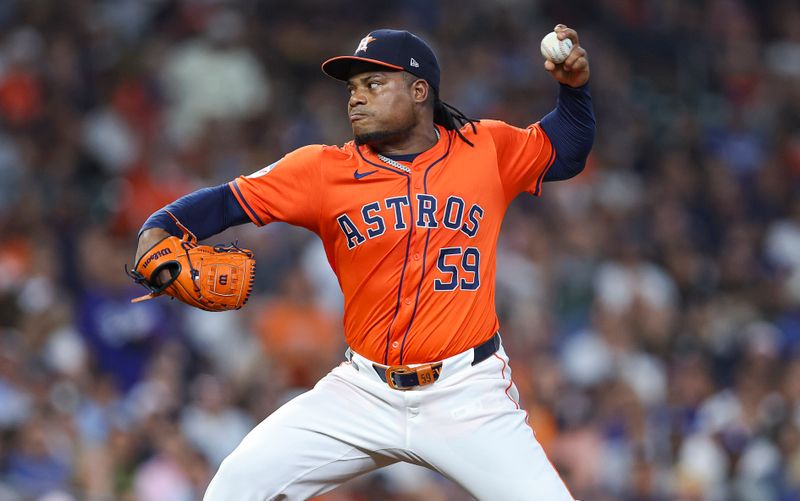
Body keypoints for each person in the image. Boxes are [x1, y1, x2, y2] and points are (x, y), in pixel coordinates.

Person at [134, 25, 594, 500]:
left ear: (420, 92)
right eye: (353, 89)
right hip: (362, 392)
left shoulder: (486, 148)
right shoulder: (323, 170)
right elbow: (225, 202)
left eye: (374, 85)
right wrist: (157, 228)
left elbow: (567, 149)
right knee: (234, 487)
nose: (357, 99)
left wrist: (573, 88)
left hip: (467, 393)